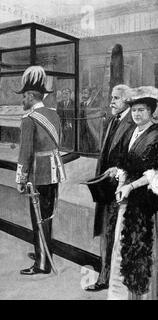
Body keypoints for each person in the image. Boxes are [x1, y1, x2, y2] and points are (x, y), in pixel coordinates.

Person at [105, 86, 158, 300]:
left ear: (151, 111)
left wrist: (131, 186)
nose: (137, 114)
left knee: (142, 247)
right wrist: (122, 182)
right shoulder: (130, 132)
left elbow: (153, 173)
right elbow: (124, 164)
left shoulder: (156, 135)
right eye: (134, 110)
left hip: (146, 201)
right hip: (127, 198)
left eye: (142, 110)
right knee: (122, 246)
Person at [15, 66, 66, 275]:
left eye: (23, 97)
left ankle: (42, 263)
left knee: (38, 217)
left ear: (29, 95)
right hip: (53, 172)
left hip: (38, 174)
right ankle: (44, 252)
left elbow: (25, 153)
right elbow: (59, 142)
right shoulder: (53, 115)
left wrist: (20, 178)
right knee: (47, 216)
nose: (22, 101)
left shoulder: (29, 119)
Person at [85, 84, 136, 292]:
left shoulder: (132, 124)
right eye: (112, 98)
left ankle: (112, 279)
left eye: (116, 98)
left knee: (116, 234)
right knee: (106, 233)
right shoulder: (114, 120)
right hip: (106, 189)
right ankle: (105, 276)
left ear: (127, 101)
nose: (111, 102)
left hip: (121, 189)